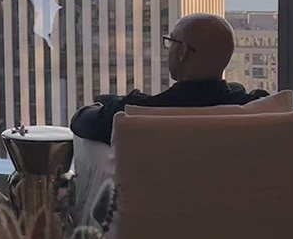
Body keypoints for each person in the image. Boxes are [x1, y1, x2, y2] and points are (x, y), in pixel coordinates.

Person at [70, 13, 269, 144]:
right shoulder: (261, 112)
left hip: (153, 209)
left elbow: (81, 121)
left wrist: (107, 102)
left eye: (171, 42)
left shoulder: (138, 113)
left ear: (182, 51)